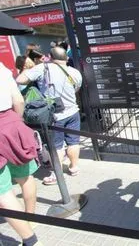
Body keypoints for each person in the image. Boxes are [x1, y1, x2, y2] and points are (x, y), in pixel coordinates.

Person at [16, 47, 83, 185]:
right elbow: (77, 88)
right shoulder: (74, 72)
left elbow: (20, 79)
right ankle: (74, 167)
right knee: (74, 141)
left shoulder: (43, 68)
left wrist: (28, 68)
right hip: (73, 111)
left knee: (56, 146)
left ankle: (56, 174)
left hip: (54, 115)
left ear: (50, 57)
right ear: (66, 58)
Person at [0, 63, 42, 246]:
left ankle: (31, 241)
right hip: (11, 122)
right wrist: (16, 121)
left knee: (2, 191)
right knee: (25, 176)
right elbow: (18, 100)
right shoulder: (1, 67)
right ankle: (30, 218)